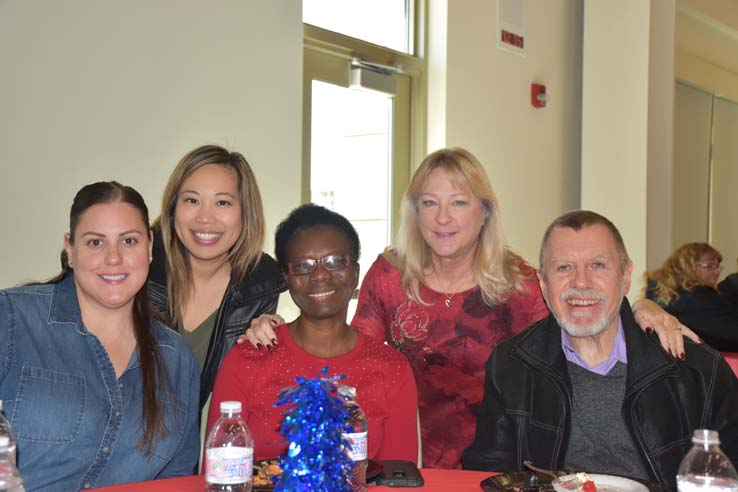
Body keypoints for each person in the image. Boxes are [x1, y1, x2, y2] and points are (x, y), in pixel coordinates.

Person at [244, 148, 696, 469]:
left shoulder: (521, 282)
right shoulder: (388, 274)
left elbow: (578, 329)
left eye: (459, 203)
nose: (443, 219)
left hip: (502, 460)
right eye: (430, 204)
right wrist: (273, 322)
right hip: (401, 460)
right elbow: (350, 352)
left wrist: (640, 306)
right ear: (414, 213)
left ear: (484, 213)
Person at [461, 211, 738, 489]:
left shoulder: (697, 370)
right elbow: (489, 475)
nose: (581, 282)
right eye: (564, 268)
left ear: (626, 277)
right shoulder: (511, 366)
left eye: (597, 265)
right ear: (544, 285)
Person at [0, 182, 200, 491]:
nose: (113, 258)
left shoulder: (176, 359)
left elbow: (176, 481)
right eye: (95, 243)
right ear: (70, 249)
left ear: (149, 247)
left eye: (129, 241)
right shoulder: (12, 317)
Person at [208, 204, 418, 463]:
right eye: (302, 266)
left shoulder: (391, 368)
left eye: (334, 262)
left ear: (355, 272)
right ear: (286, 278)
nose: (319, 275)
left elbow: (399, 480)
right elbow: (218, 476)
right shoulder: (247, 358)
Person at [148, 145, 286, 409]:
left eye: (222, 202)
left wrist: (274, 338)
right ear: (173, 207)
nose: (205, 218)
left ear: (246, 213)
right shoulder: (141, 265)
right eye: (191, 200)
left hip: (202, 445)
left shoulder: (260, 285)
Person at [644, 243, 738, 351]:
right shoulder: (699, 297)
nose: (717, 272)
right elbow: (731, 332)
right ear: (688, 267)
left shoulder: (661, 295)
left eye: (717, 266)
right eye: (710, 266)